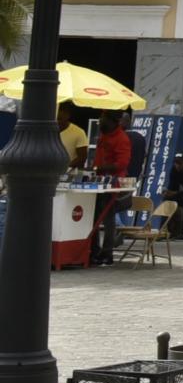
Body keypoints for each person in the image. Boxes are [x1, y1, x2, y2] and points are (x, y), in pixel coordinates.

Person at [90, 110, 132, 266]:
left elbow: (122, 163)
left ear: (112, 121)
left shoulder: (121, 138)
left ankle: (107, 252)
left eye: (102, 118)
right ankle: (94, 250)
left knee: (107, 218)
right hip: (99, 180)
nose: (100, 121)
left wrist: (100, 168)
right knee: (94, 217)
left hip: (113, 183)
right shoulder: (104, 135)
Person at [57, 104, 86, 169]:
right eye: (55, 119)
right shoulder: (48, 130)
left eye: (59, 119)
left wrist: (65, 168)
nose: (57, 122)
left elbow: (82, 158)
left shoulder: (79, 132)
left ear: (67, 115)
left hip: (68, 174)